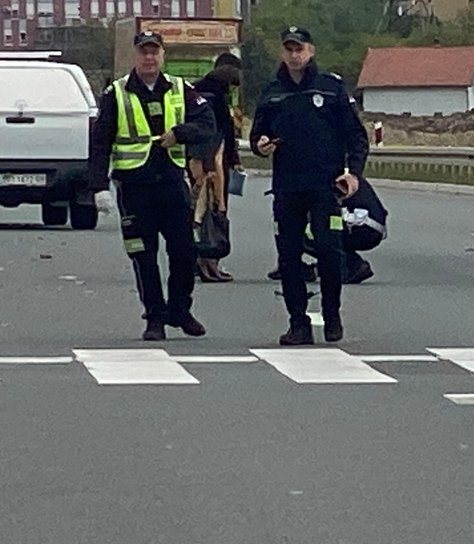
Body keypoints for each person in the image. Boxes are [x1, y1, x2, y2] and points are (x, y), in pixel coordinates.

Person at [87, 30, 217, 341]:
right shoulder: (116, 93)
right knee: (143, 256)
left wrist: (180, 133)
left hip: (171, 184)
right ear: (135, 55)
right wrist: (98, 187)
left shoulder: (181, 88)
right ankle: (155, 318)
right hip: (134, 188)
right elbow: (100, 143)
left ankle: (180, 309)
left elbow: (207, 125)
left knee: (185, 252)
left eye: (154, 52)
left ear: (162, 55)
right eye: (143, 52)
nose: (149, 57)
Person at [249, 26, 370, 346]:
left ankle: (332, 315)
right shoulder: (273, 92)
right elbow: (257, 135)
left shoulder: (330, 88)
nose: (294, 55)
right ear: (282, 53)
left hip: (325, 187)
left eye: (299, 49)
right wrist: (261, 145)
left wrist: (353, 173)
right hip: (287, 188)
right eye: (289, 49)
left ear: (311, 51)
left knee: (329, 252)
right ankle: (298, 323)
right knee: (288, 258)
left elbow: (356, 136)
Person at [266, 175, 387, 285]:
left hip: (362, 224)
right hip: (360, 221)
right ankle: (292, 266)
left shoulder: (320, 167)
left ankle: (349, 265)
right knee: (290, 217)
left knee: (299, 227)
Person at [188, 53, 243, 282]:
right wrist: (227, 160)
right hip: (212, 163)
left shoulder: (196, 91)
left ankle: (198, 260)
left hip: (198, 160)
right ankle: (209, 261)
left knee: (197, 213)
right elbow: (218, 133)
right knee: (214, 212)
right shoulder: (216, 97)